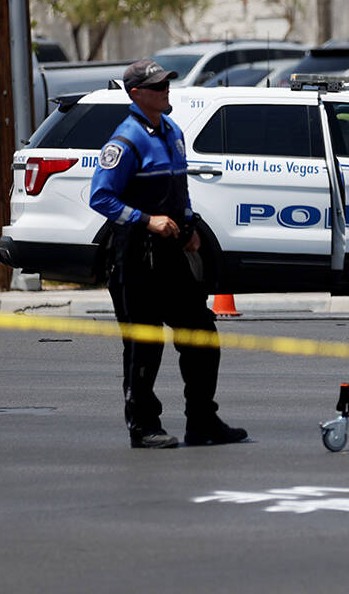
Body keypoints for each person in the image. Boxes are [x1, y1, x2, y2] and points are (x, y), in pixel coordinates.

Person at [90, 59, 248, 449]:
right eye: (157, 86)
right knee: (144, 346)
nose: (165, 90)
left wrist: (189, 227)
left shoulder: (172, 131)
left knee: (201, 335)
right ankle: (143, 427)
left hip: (172, 256)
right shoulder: (125, 140)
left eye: (166, 84)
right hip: (136, 257)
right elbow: (101, 196)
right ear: (136, 94)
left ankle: (202, 422)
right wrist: (147, 220)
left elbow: (180, 191)